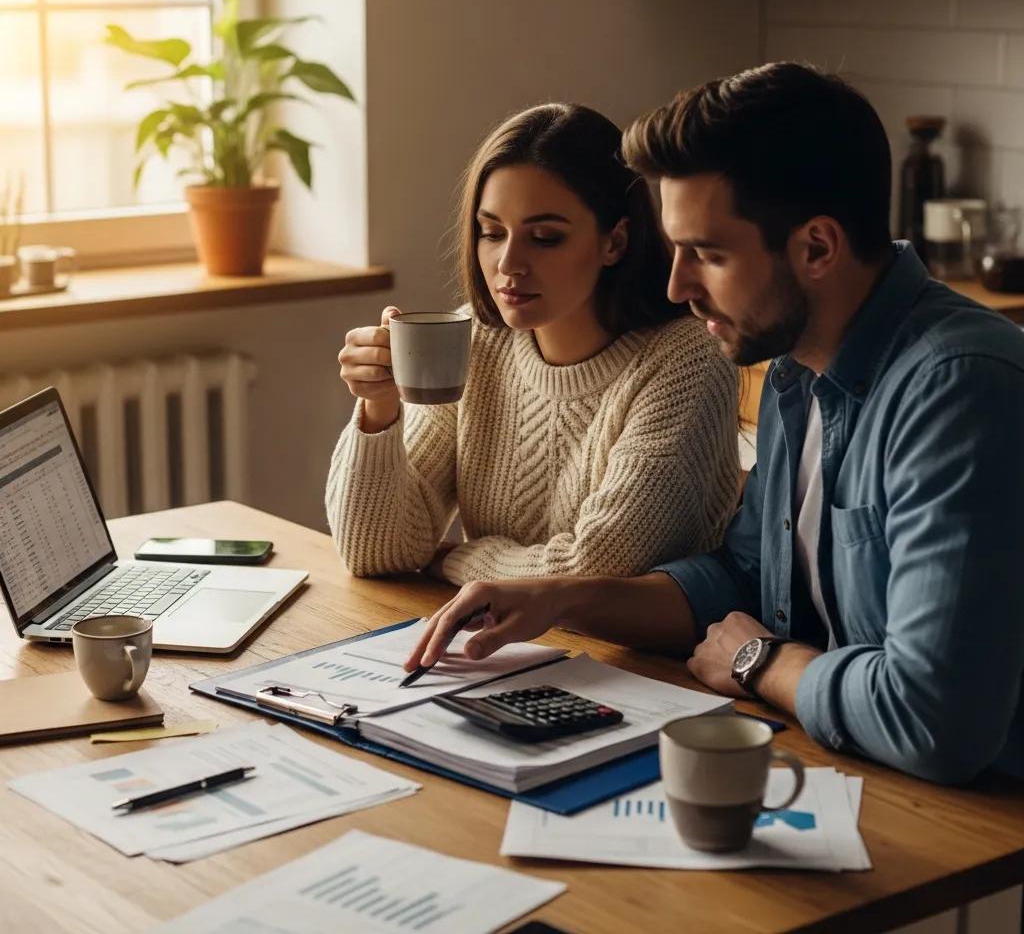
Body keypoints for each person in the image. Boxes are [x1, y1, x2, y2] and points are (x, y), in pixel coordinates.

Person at [406, 64, 1024, 786]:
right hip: (838, 764)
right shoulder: (797, 366)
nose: (676, 286)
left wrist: (765, 662)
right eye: (675, 250)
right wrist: (563, 597)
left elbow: (934, 721)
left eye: (708, 254)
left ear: (817, 248)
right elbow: (742, 579)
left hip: (981, 832)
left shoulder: (960, 390)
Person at [326, 103, 739, 585]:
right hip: (497, 645)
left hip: (637, 657)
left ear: (616, 243)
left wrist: (460, 560)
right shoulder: (476, 340)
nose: (508, 263)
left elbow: (602, 567)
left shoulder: (687, 360)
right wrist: (377, 411)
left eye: (544, 237)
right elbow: (375, 552)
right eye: (492, 233)